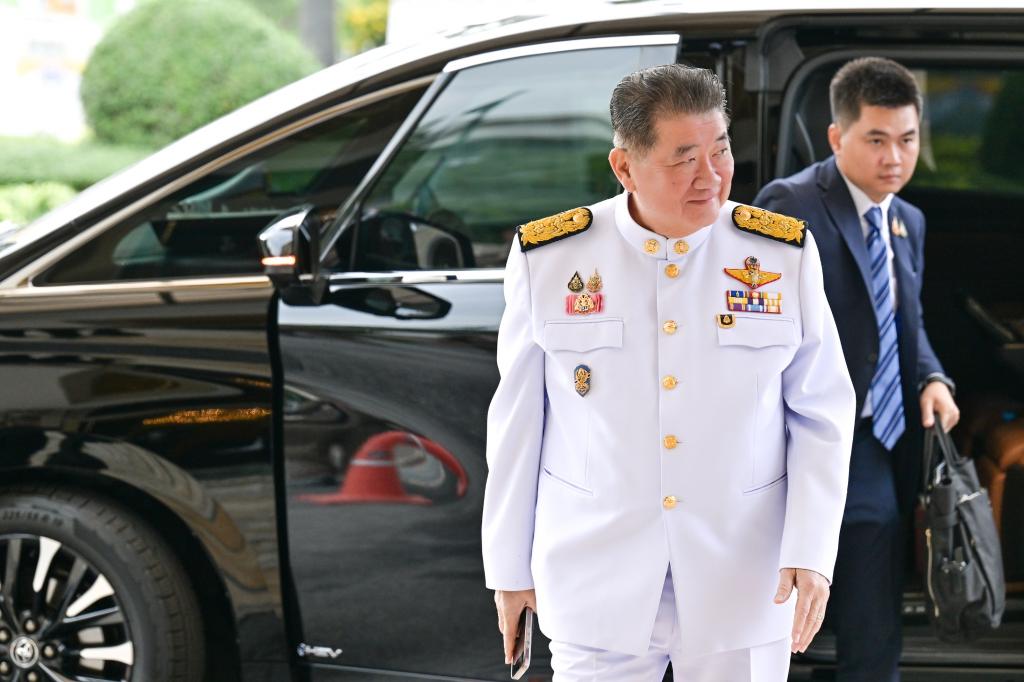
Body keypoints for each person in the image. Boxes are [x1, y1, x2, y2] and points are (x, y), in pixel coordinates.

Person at [481, 63, 856, 681]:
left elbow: (822, 414)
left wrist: (812, 550)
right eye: (684, 159)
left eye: (720, 151)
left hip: (744, 574)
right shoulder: (551, 259)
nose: (711, 176)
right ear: (624, 166)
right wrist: (508, 570)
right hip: (596, 575)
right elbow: (518, 424)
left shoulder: (779, 254)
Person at [753, 57, 960, 682]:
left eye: (907, 139)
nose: (895, 157)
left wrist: (932, 378)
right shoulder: (790, 204)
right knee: (871, 571)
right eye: (876, 139)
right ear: (836, 137)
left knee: (882, 575)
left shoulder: (906, 219)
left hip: (891, 431)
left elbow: (905, 321)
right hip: (827, 433)